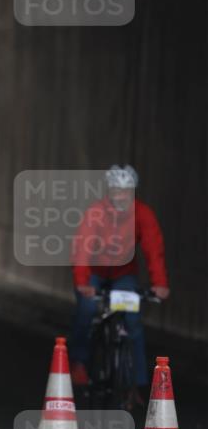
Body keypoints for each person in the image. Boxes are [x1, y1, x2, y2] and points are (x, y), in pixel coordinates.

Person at [68, 164, 169, 392]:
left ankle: (139, 381)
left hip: (124, 274)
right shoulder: (96, 212)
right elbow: (82, 247)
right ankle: (79, 363)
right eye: (116, 191)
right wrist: (82, 282)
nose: (121, 196)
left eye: (126, 191)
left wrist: (160, 284)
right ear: (109, 191)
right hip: (94, 273)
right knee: (86, 311)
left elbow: (154, 249)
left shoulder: (143, 214)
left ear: (133, 192)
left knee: (132, 321)